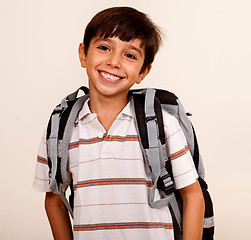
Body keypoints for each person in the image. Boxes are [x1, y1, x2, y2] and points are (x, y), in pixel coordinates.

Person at [33, 6, 205, 240]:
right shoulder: (61, 129)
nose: (114, 62)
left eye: (130, 55)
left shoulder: (162, 124)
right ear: (84, 54)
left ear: (143, 71)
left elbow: (193, 195)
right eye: (104, 48)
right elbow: (54, 199)